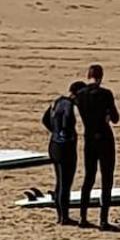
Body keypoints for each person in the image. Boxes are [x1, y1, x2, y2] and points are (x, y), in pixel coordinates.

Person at [75, 64, 120, 231]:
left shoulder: (80, 95)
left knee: (89, 178)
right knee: (107, 178)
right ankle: (103, 220)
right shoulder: (106, 94)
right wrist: (107, 115)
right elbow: (115, 118)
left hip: (89, 137)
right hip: (104, 137)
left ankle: (83, 217)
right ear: (101, 77)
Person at [41, 79, 84, 225]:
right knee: (66, 183)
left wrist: (55, 131)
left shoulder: (56, 101)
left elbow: (45, 120)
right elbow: (66, 121)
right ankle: (64, 217)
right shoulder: (68, 105)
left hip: (53, 145)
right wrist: (67, 134)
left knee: (59, 182)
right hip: (65, 147)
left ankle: (60, 216)